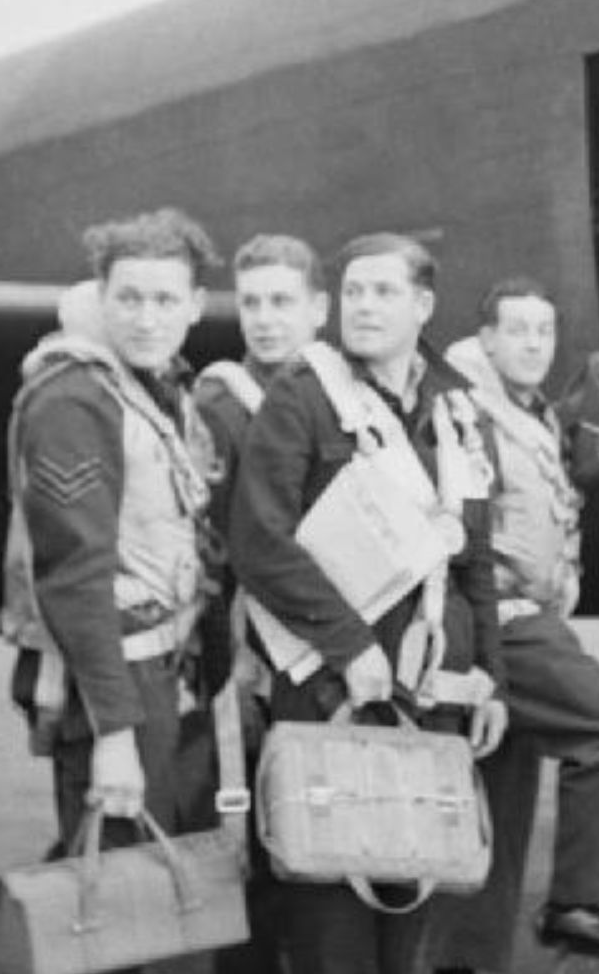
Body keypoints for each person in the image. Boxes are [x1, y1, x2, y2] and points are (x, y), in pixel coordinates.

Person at [228, 232, 508, 974]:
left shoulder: (455, 410)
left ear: (424, 304)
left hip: (436, 697)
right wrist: (351, 648)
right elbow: (259, 544)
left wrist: (494, 682)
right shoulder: (304, 398)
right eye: (353, 291)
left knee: (418, 910)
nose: (364, 306)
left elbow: (474, 559)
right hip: (331, 692)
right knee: (333, 917)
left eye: (384, 292)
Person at [430, 278, 599, 972]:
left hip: (525, 614)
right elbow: (463, 528)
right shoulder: (470, 415)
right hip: (506, 617)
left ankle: (463, 961)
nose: (533, 345)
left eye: (544, 332)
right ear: (487, 338)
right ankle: (576, 903)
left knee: (499, 795)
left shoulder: (530, 413)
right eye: (517, 330)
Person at [0, 208, 228, 872]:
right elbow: (74, 576)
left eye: (164, 300)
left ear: (195, 305)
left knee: (148, 886)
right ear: (102, 300)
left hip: (163, 665)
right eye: (128, 298)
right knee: (119, 896)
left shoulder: (152, 391)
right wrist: (115, 734)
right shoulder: (75, 401)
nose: (146, 318)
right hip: (113, 675)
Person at [183, 233, 332, 974]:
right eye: (251, 304)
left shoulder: (331, 391)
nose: (265, 320)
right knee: (251, 844)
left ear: (318, 310)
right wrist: (227, 665)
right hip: (250, 653)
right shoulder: (221, 402)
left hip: (319, 647)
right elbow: (205, 550)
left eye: (283, 303)